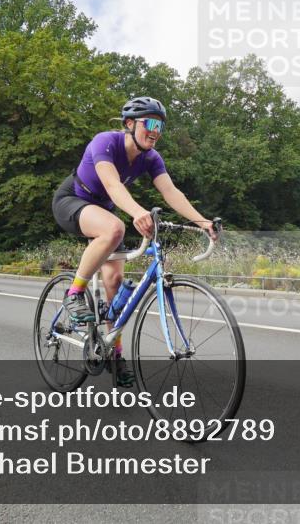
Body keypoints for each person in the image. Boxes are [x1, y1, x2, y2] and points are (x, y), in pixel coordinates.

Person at [51, 96, 217, 387]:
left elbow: (171, 192)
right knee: (114, 227)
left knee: (115, 285)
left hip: (103, 210)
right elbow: (113, 185)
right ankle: (74, 293)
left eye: (160, 125)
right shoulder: (105, 142)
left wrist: (201, 221)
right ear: (129, 124)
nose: (156, 130)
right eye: (150, 123)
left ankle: (114, 356)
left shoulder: (151, 158)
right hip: (72, 200)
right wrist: (139, 213)